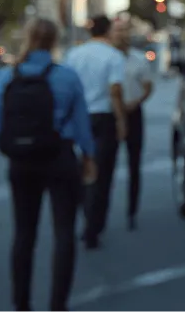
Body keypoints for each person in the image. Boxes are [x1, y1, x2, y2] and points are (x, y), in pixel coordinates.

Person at [0, 18, 95, 312]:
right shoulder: (67, 77)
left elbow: (0, 126)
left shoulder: (6, 77)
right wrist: (89, 157)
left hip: (21, 162)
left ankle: (21, 303)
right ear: (54, 42)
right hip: (59, 158)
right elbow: (82, 125)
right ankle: (58, 304)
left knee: (24, 234)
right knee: (64, 232)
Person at [63, 14, 127, 249]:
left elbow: (67, 87)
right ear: (108, 30)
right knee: (103, 173)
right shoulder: (113, 56)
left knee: (82, 169)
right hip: (103, 118)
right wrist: (121, 121)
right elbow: (115, 90)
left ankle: (84, 212)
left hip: (79, 117)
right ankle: (94, 226)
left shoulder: (74, 55)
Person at [110, 18, 153, 230]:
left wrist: (137, 101)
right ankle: (97, 213)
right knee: (105, 165)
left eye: (125, 31)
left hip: (133, 112)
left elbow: (148, 86)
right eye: (118, 30)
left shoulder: (139, 59)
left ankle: (132, 211)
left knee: (134, 165)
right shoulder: (107, 58)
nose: (122, 35)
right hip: (110, 115)